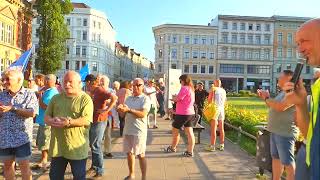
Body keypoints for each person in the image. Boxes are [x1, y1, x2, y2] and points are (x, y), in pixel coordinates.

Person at [283, 18, 320, 180]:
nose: (300, 50)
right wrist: (300, 104)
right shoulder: (318, 86)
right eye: (297, 43)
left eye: (304, 41)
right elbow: (310, 136)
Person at [44, 71, 93, 180]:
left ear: (79, 83)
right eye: (64, 82)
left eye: (70, 82)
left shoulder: (85, 99)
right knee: (55, 177)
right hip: (58, 147)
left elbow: (86, 120)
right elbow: (46, 117)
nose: (67, 84)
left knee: (79, 176)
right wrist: (53, 120)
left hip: (76, 147)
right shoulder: (56, 98)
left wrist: (69, 122)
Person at [257, 70, 297, 180]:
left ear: (288, 79)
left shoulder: (292, 92)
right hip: (275, 131)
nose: (278, 79)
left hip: (285, 133)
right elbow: (274, 106)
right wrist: (266, 98)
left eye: (281, 77)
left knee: (288, 163)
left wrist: (267, 98)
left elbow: (280, 107)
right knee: (276, 159)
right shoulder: (283, 92)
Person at [0, 69, 39, 180]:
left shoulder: (29, 94)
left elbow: (32, 113)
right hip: (5, 138)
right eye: (3, 79)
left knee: (24, 167)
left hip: (22, 139)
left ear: (19, 80)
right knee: (7, 166)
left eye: (8, 79)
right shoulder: (1, 95)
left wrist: (13, 108)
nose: (4, 82)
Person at [117, 78, 151, 180]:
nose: (136, 87)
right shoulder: (128, 98)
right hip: (128, 129)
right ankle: (131, 174)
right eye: (134, 85)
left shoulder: (145, 99)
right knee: (129, 153)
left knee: (141, 155)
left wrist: (129, 110)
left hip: (139, 131)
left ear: (143, 86)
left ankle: (144, 177)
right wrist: (119, 109)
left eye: (138, 85)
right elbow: (123, 115)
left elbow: (143, 114)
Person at [86, 75, 117, 177]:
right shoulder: (94, 91)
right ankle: (94, 167)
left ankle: (100, 170)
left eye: (86, 82)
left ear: (90, 82)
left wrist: (106, 110)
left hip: (99, 120)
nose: (86, 85)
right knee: (93, 144)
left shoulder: (100, 90)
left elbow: (114, 97)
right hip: (94, 120)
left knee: (96, 145)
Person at [164, 74, 196, 157]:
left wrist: (173, 98)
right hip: (190, 113)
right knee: (190, 132)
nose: (180, 82)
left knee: (175, 131)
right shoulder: (191, 89)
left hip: (182, 114)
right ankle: (190, 151)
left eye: (180, 81)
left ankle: (173, 147)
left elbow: (178, 99)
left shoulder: (184, 88)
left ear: (184, 80)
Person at [34, 74, 59, 170]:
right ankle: (43, 159)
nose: (44, 81)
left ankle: (44, 161)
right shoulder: (47, 90)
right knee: (42, 141)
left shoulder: (52, 92)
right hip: (43, 120)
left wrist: (40, 98)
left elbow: (45, 106)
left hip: (47, 121)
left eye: (46, 80)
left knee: (45, 141)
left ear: (50, 81)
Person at [100, 75, 118, 159]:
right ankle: (98, 152)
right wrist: (107, 101)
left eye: (103, 81)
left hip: (107, 115)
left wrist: (104, 101)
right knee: (98, 135)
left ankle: (107, 151)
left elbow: (113, 102)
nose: (102, 82)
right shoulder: (98, 90)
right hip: (98, 115)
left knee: (107, 134)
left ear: (108, 83)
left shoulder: (111, 91)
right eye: (101, 81)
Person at [206, 79, 227, 151]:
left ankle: (212, 146)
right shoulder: (223, 91)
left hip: (215, 109)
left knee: (213, 129)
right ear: (220, 84)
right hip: (221, 110)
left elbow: (209, 100)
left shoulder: (213, 89)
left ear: (215, 84)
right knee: (221, 128)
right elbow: (225, 101)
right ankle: (222, 145)